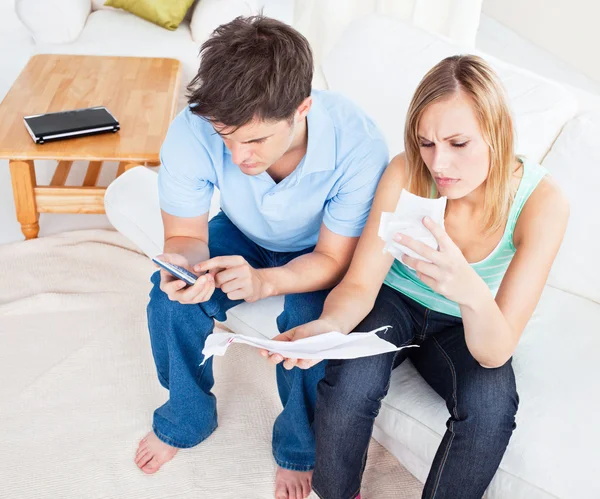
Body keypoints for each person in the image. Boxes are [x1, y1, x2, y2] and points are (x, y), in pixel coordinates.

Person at [266, 55, 569, 499]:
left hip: (468, 321)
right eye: (426, 143)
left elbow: (494, 351)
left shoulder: (543, 203)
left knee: (491, 410)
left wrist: (466, 287)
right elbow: (361, 284)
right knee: (350, 383)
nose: (439, 164)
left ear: (498, 134)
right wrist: (329, 329)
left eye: (458, 143)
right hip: (396, 300)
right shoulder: (408, 171)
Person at [133, 14, 389, 499]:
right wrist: (186, 268)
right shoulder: (192, 131)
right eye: (224, 136)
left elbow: (336, 258)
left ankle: (298, 448)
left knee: (313, 325)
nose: (237, 156)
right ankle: (186, 414)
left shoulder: (359, 148)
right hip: (241, 232)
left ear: (303, 107)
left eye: (254, 140)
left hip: (318, 249)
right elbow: (186, 236)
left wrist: (267, 282)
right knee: (168, 301)